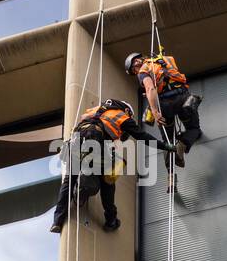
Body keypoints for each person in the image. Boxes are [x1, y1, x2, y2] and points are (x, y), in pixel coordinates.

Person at [50, 99, 173, 233]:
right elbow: (142, 136)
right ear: (127, 110)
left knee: (68, 181)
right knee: (109, 178)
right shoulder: (122, 116)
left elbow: (83, 119)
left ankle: (57, 221)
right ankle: (111, 220)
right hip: (95, 139)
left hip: (76, 140)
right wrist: (164, 146)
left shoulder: (97, 110)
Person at [124, 51, 202, 166]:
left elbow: (150, 88)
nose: (136, 73)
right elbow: (169, 77)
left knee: (167, 141)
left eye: (134, 71)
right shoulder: (165, 60)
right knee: (194, 129)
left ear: (135, 62)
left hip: (165, 105)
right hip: (183, 98)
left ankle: (170, 171)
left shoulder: (143, 70)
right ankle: (183, 144)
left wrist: (155, 111)